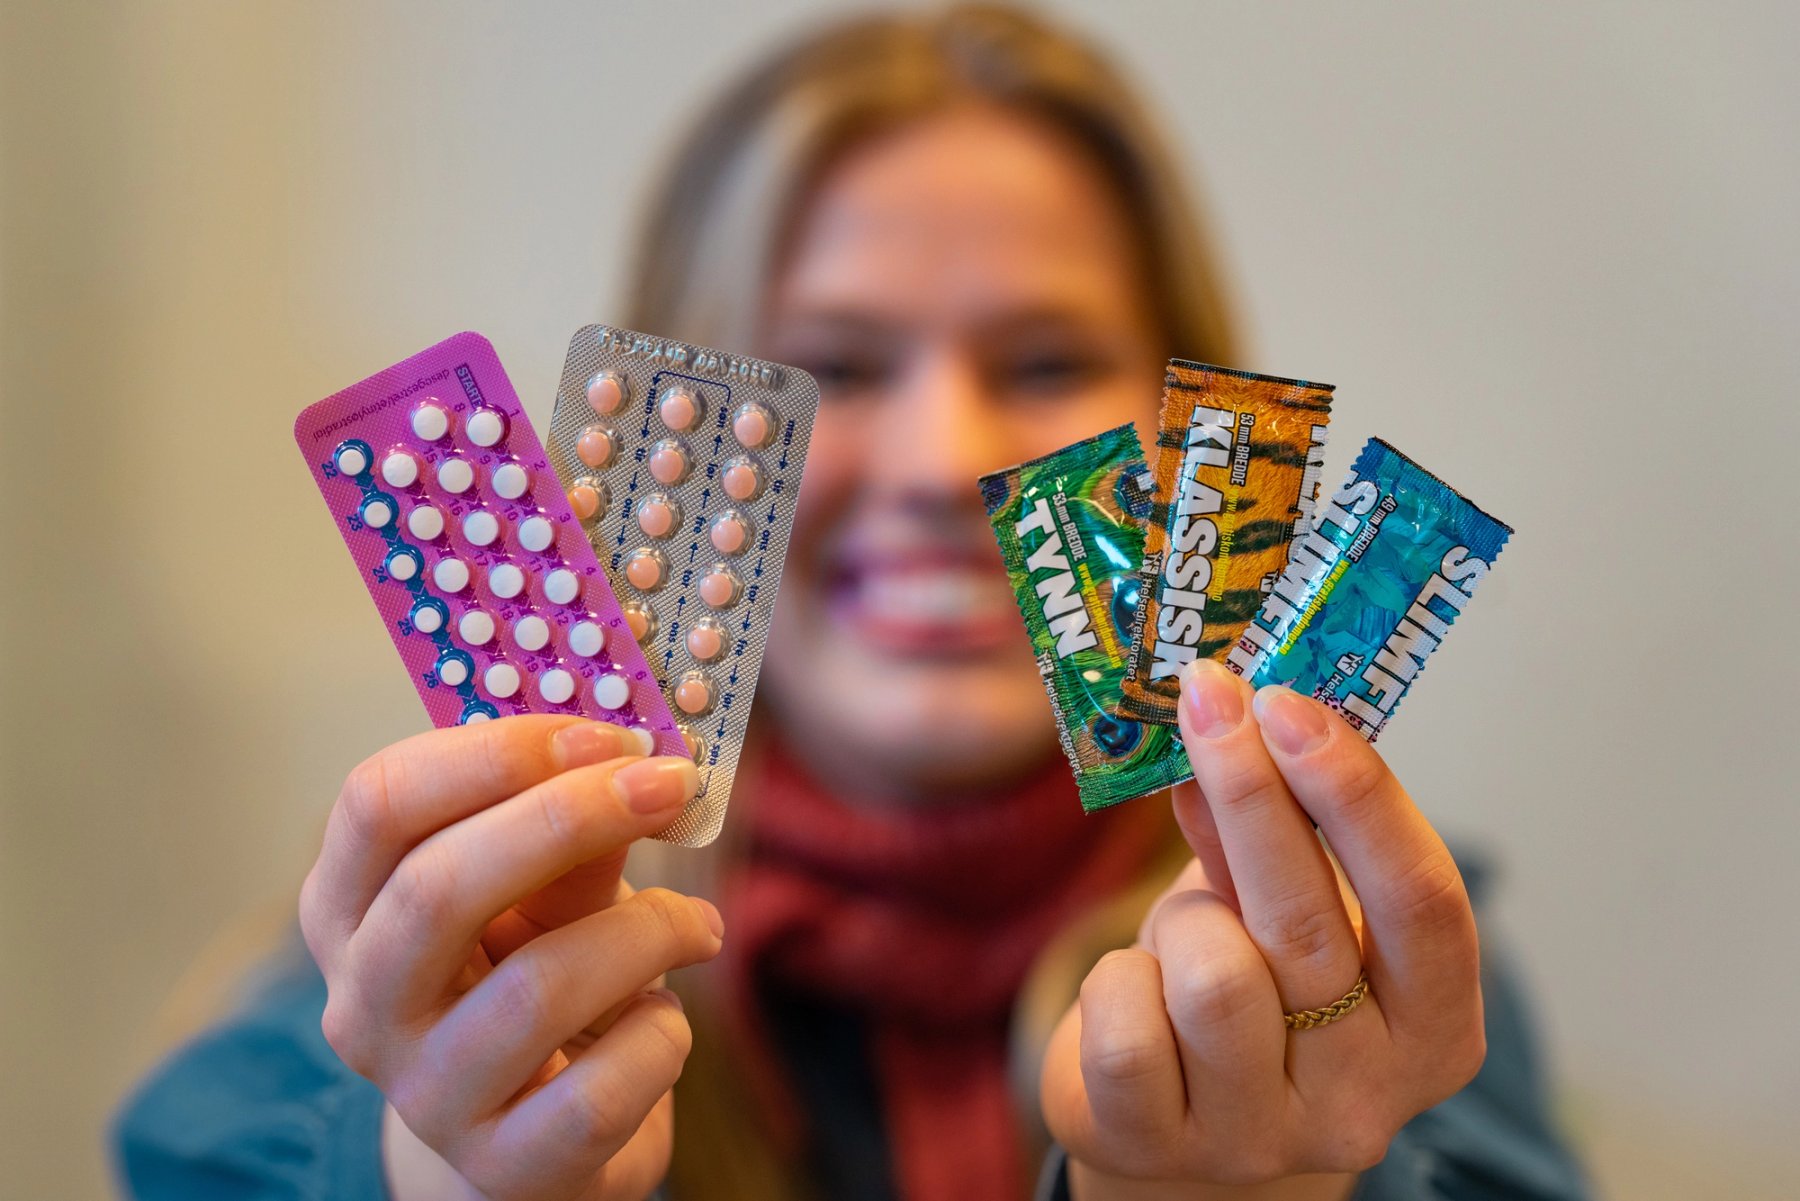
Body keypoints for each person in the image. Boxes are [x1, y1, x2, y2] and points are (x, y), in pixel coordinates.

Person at [115, 6, 1589, 1200]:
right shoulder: (441, 954)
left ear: (1178, 429)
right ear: (665, 455)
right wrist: (437, 1172)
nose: (945, 463)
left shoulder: (1362, 974)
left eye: (1044, 363)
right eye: (839, 363)